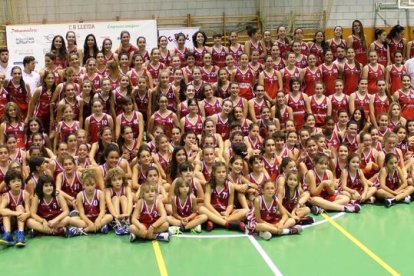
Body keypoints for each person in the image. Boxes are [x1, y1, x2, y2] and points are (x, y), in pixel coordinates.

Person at [199, 161, 248, 231]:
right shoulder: (209, 185)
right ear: (214, 173)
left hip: (225, 212)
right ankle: (228, 224)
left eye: (223, 172)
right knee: (201, 209)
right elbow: (207, 204)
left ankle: (216, 222)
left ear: (226, 173)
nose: (221, 174)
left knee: (246, 211)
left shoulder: (230, 185)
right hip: (213, 211)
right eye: (219, 172)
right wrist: (218, 215)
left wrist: (227, 213)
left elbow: (230, 204)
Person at [75, 169, 113, 233]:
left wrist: (98, 220)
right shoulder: (80, 195)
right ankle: (99, 227)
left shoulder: (100, 193)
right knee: (71, 220)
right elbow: (81, 213)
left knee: (110, 217)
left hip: (98, 217)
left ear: (95, 184)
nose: (90, 187)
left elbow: (102, 210)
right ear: (83, 185)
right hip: (86, 219)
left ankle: (85, 230)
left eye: (92, 184)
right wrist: (89, 223)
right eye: (87, 185)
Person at [0, 170, 30, 246]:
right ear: (9, 184)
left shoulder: (25, 194)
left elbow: (28, 211)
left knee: (19, 207)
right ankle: (8, 234)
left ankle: (21, 234)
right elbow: (1, 210)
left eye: (19, 180)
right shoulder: (6, 196)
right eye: (13, 181)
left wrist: (25, 215)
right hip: (11, 222)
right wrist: (15, 213)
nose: (17, 183)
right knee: (5, 212)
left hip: (22, 220)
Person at [105, 167, 133, 235]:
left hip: (125, 212)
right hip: (114, 213)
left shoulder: (126, 188)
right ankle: (117, 223)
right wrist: (116, 216)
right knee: (115, 198)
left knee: (123, 197)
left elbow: (130, 201)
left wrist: (128, 214)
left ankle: (127, 222)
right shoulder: (109, 190)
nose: (117, 182)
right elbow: (109, 204)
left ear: (123, 180)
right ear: (110, 182)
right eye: (114, 180)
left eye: (119, 179)